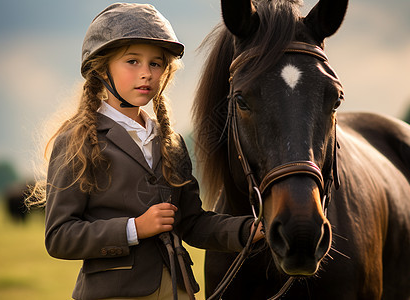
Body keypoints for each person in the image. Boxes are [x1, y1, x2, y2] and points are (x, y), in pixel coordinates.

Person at [28, 3, 263, 300]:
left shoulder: (171, 142)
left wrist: (249, 230)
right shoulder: (76, 141)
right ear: (101, 68)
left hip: (179, 291)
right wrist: (134, 228)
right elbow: (59, 237)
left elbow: (191, 222)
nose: (147, 74)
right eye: (132, 61)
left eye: (156, 63)